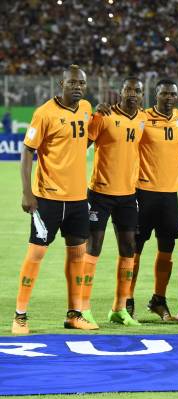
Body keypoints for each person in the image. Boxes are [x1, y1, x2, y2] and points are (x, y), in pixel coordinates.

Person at [12, 65, 97, 334]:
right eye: (72, 82)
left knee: (77, 255)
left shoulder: (86, 109)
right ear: (61, 84)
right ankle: (20, 316)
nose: (78, 87)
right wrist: (27, 192)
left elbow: (82, 141)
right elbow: (27, 151)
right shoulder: (44, 113)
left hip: (78, 198)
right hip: (48, 198)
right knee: (36, 253)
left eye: (81, 83)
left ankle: (74, 315)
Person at [79, 77, 146, 327]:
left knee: (129, 248)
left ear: (142, 95)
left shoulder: (143, 118)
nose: (133, 94)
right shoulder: (104, 116)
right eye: (128, 89)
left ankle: (119, 309)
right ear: (120, 92)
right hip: (100, 193)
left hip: (128, 195)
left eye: (137, 90)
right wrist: (93, 114)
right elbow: (82, 145)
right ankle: (83, 307)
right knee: (93, 247)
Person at [123, 79, 178, 321]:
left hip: (170, 195)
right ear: (155, 95)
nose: (169, 97)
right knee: (135, 249)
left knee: (166, 251)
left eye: (173, 94)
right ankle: (127, 300)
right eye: (164, 93)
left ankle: (158, 300)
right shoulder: (142, 117)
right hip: (143, 192)